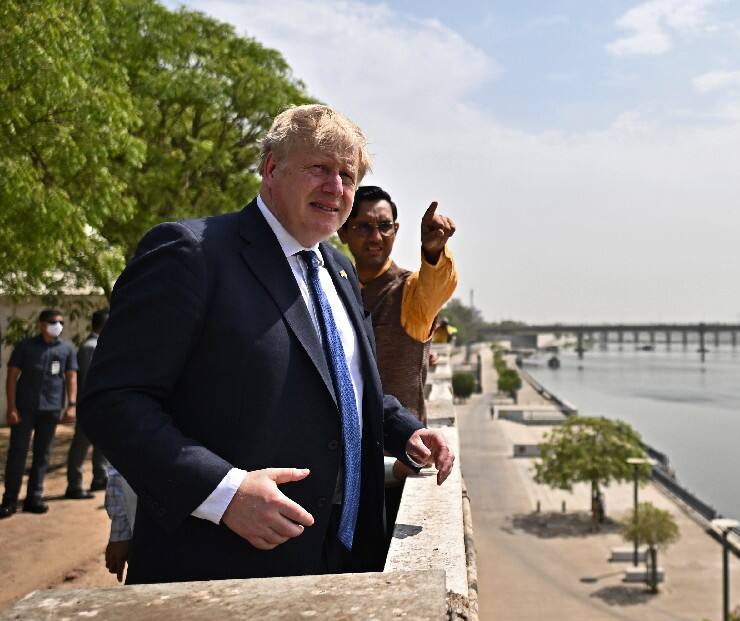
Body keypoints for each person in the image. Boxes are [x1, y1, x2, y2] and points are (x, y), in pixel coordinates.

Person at [81, 104, 454, 583]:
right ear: (272, 168)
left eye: (347, 175)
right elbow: (113, 401)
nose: (336, 187)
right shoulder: (192, 253)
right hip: (221, 564)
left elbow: (344, 386)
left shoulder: (339, 271)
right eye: (319, 168)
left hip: (343, 555)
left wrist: (406, 431)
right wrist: (224, 492)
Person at [337, 185, 458, 421]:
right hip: (342, 438)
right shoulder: (334, 288)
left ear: (396, 230)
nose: (375, 237)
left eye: (384, 226)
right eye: (364, 227)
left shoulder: (409, 291)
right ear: (343, 232)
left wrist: (434, 252)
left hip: (401, 441)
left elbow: (437, 285)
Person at [2, 308, 78, 517]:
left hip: (51, 408)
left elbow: (71, 377)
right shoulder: (25, 347)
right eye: (54, 322)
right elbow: (11, 376)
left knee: (42, 454)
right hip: (24, 408)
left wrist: (71, 404)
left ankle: (34, 497)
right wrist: (11, 407)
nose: (58, 326)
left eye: (61, 322)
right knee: (18, 453)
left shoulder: (67, 349)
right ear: (42, 325)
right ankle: (9, 500)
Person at [64, 308, 110, 499]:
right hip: (90, 406)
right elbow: (89, 380)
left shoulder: (100, 344)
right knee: (81, 445)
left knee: (102, 443)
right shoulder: (90, 347)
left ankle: (100, 477)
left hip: (101, 405)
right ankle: (74, 485)